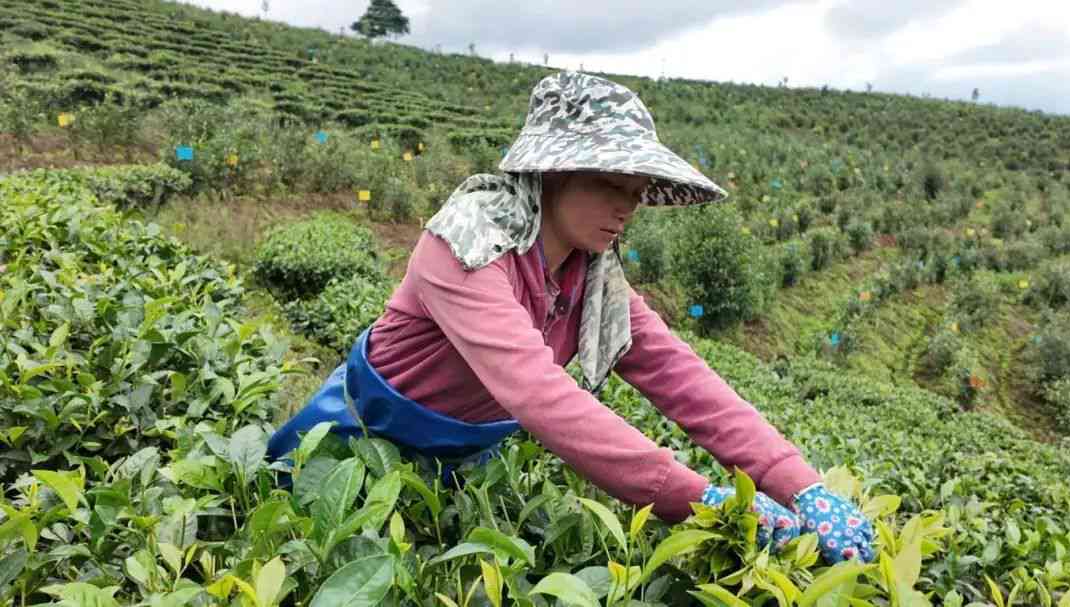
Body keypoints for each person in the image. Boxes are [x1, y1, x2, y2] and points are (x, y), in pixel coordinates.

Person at [268, 71, 875, 564]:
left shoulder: (592, 276)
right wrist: (699, 500)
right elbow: (539, 395)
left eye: (636, 190)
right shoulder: (464, 246)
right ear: (552, 173)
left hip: (457, 467)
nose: (626, 207)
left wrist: (799, 483)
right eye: (610, 181)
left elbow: (681, 377)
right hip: (348, 452)